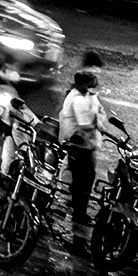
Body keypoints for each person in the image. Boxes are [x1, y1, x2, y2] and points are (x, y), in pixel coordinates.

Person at [58, 69, 107, 239]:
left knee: (81, 182)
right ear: (84, 85)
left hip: (84, 146)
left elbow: (99, 113)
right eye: (92, 84)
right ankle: (80, 215)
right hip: (81, 147)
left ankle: (78, 209)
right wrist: (98, 120)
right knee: (84, 182)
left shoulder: (82, 96)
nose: (95, 88)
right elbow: (87, 124)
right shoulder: (78, 100)